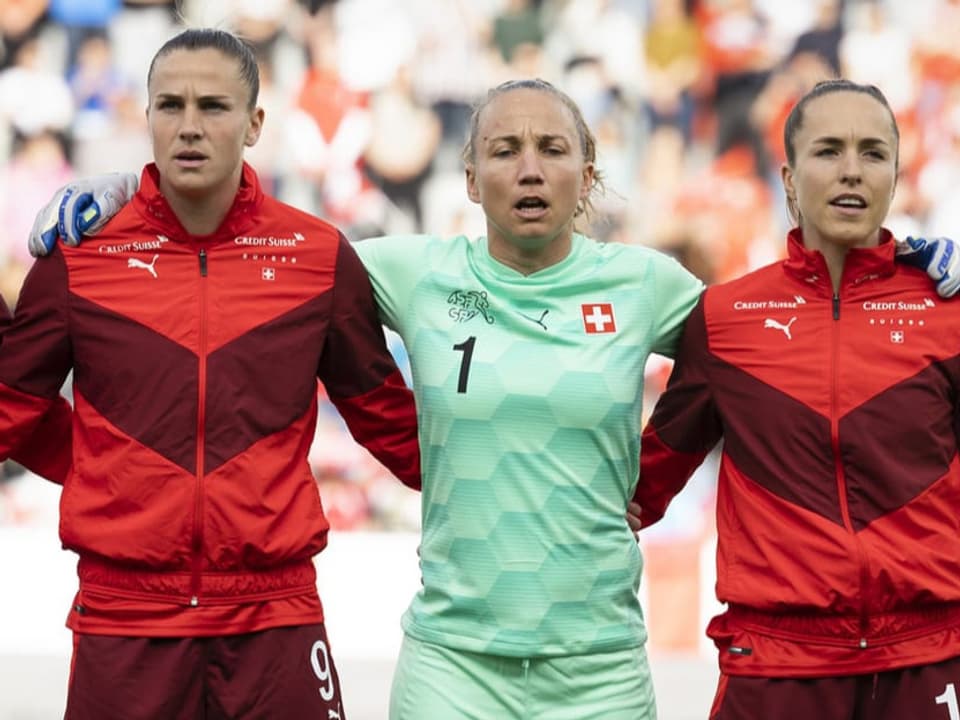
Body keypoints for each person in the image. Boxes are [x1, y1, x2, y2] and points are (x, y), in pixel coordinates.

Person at [27, 77, 960, 719]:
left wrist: (918, 262)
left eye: (554, 149)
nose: (528, 167)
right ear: (469, 177)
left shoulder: (656, 289)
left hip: (599, 667)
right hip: (450, 662)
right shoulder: (399, 272)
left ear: (585, 177)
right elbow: (246, 246)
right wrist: (124, 188)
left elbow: (797, 329)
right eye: (504, 150)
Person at [0, 28, 421, 720]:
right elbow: (8, 413)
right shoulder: (77, 260)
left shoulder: (317, 258)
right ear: (146, 118)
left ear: (256, 123)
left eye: (214, 107)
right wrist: (105, 468)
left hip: (274, 621)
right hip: (125, 623)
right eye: (170, 105)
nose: (189, 126)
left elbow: (401, 436)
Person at [636, 79, 960, 720]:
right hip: (779, 668)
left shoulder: (946, 312)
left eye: (873, 153)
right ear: (788, 179)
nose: (851, 171)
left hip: (930, 658)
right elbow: (640, 486)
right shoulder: (724, 319)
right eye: (828, 150)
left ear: (896, 176)